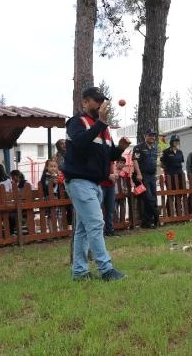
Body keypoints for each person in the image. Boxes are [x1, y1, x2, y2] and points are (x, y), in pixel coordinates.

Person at [63, 86, 131, 281]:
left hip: (94, 183)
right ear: (85, 102)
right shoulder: (76, 123)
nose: (101, 103)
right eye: (96, 100)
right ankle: (106, 269)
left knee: (84, 230)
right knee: (95, 224)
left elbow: (107, 155)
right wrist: (100, 123)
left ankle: (79, 272)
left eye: (102, 100)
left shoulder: (103, 128)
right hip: (79, 181)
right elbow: (81, 143)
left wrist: (119, 149)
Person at [132, 129, 160, 229]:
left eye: (154, 135)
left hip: (152, 177)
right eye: (150, 135)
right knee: (148, 198)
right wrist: (139, 174)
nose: (152, 137)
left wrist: (156, 174)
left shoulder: (155, 148)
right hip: (142, 177)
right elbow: (135, 161)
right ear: (145, 135)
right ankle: (156, 217)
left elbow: (155, 162)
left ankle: (146, 223)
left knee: (152, 197)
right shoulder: (138, 147)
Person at [160, 134, 185, 215]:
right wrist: (167, 170)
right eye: (175, 141)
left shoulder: (180, 152)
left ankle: (179, 213)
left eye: (177, 141)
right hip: (170, 176)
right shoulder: (166, 152)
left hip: (179, 175)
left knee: (179, 194)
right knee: (171, 195)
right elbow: (161, 164)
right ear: (171, 142)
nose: (176, 142)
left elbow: (180, 163)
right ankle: (170, 213)